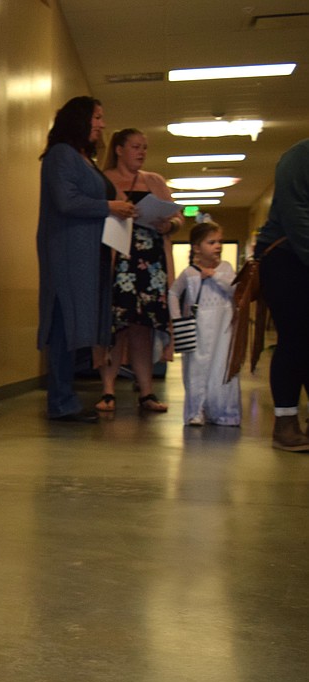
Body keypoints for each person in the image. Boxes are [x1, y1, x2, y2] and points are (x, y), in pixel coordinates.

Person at [37, 96, 137, 422]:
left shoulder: (83, 158)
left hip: (89, 252)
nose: (102, 124)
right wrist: (110, 207)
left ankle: (66, 400)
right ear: (79, 118)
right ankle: (61, 403)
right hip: (68, 253)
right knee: (64, 325)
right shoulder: (61, 155)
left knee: (77, 325)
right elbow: (66, 202)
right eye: (97, 117)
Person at [97, 128, 183, 415]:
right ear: (119, 149)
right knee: (115, 324)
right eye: (135, 146)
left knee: (143, 328)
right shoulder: (103, 179)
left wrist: (169, 225)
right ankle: (108, 391)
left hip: (150, 262)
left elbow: (178, 217)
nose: (142, 152)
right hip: (116, 258)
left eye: (144, 147)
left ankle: (146, 393)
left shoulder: (155, 181)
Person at [255, 137, 309, 452]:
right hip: (285, 257)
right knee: (295, 339)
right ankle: (285, 424)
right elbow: (296, 217)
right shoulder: (298, 158)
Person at [168, 222, 240, 426]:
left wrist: (214, 275)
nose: (217, 246)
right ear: (197, 247)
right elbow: (173, 293)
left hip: (223, 327)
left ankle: (223, 411)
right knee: (197, 366)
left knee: (221, 365)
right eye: (211, 242)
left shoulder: (226, 268)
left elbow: (235, 289)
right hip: (197, 328)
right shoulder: (189, 273)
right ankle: (196, 410)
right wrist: (177, 318)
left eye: (220, 241)